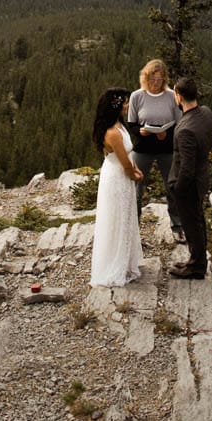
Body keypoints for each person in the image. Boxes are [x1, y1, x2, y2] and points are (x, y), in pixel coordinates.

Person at [89, 87, 144, 287]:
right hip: (117, 178)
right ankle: (115, 264)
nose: (128, 105)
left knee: (126, 217)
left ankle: (126, 261)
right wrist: (134, 175)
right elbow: (123, 161)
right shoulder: (112, 133)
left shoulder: (119, 125)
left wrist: (135, 169)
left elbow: (129, 154)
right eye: (125, 102)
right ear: (116, 105)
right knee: (117, 219)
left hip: (123, 176)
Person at [127, 58, 184, 240]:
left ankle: (177, 227)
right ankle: (133, 230)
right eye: (152, 79)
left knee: (172, 188)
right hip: (142, 149)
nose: (156, 83)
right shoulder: (137, 96)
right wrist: (141, 131)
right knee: (135, 189)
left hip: (167, 150)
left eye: (159, 79)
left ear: (164, 79)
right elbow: (131, 124)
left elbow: (180, 123)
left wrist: (166, 134)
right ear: (145, 77)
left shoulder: (170, 96)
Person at [166, 76, 212, 281]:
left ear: (178, 96)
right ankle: (197, 260)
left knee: (191, 224)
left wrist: (178, 188)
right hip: (201, 177)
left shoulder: (185, 129)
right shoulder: (206, 113)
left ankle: (196, 267)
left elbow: (186, 167)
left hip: (188, 184)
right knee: (198, 220)